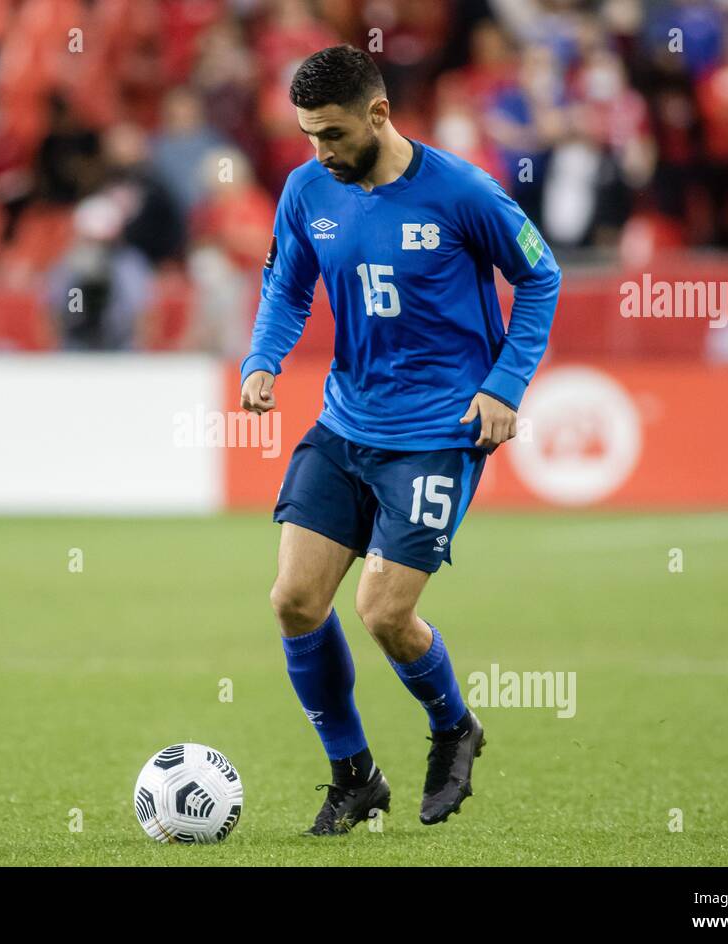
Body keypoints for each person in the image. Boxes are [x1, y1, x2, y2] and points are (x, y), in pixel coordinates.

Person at [238, 45, 560, 836]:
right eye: (309, 134)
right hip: (346, 423)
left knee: (383, 612)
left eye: (334, 134)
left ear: (379, 115)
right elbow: (288, 282)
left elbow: (540, 276)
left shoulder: (461, 191)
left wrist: (505, 386)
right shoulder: (308, 187)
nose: (320, 152)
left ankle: (454, 727)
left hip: (435, 434)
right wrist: (262, 358)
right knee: (294, 602)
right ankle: (354, 777)